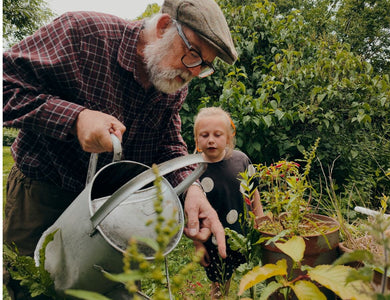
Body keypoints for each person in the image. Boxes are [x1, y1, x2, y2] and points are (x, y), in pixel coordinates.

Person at [3, 0, 237, 298]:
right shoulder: (83, 34)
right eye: (193, 56)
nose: (193, 72)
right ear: (164, 26)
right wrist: (75, 118)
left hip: (116, 208)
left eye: (204, 66)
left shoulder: (173, 80)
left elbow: (166, 142)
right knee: (34, 289)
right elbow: (6, 85)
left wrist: (191, 188)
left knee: (112, 291)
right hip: (44, 196)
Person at [191, 107, 263, 299]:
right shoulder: (194, 170)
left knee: (247, 273)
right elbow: (193, 213)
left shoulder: (240, 160)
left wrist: (261, 218)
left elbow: (253, 191)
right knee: (220, 281)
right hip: (213, 241)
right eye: (204, 135)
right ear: (197, 140)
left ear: (228, 139)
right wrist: (198, 244)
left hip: (242, 233)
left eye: (217, 134)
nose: (211, 140)